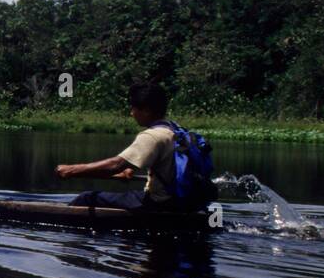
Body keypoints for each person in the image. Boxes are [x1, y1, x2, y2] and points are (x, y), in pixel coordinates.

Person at [56, 82, 215, 211]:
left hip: (161, 204)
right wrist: (128, 170)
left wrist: (70, 170)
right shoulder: (175, 129)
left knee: (86, 198)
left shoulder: (152, 136)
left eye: (133, 108)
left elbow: (115, 165)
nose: (131, 113)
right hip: (187, 202)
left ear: (146, 110)